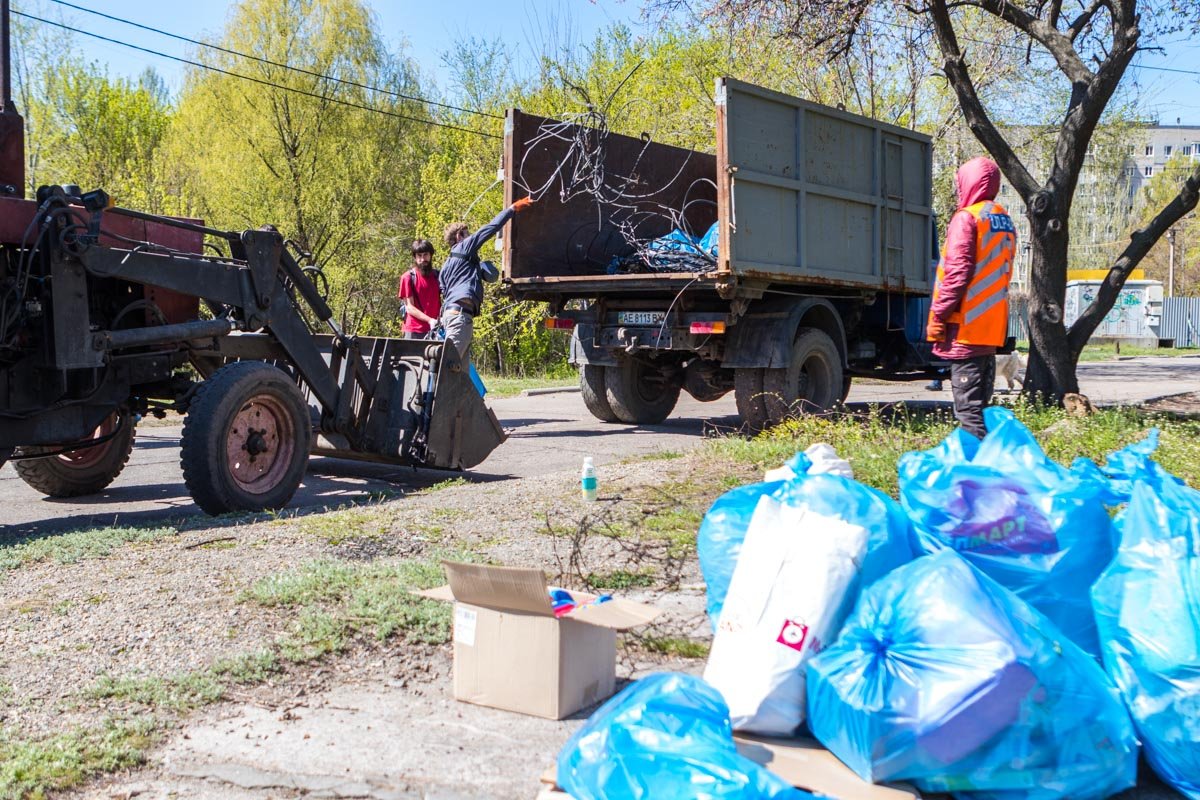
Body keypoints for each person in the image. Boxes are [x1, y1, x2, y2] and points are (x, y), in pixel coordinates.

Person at [926, 156, 1016, 440]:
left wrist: (938, 315)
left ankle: (978, 477)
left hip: (966, 327)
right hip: (990, 329)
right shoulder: (1004, 220)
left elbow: (957, 273)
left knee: (969, 414)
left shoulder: (967, 219)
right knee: (981, 409)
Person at [438, 196, 535, 360]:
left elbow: (443, 290)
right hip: (460, 317)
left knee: (459, 373)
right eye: (468, 233)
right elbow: (489, 228)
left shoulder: (446, 266)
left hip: (451, 316)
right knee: (448, 366)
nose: (471, 236)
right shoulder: (465, 246)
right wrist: (512, 209)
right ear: (459, 236)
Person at [398, 239, 441, 339]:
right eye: (419, 256)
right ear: (415, 257)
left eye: (425, 255)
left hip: (435, 330)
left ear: (431, 255)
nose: (422, 259)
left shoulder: (438, 276)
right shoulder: (407, 277)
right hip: (414, 331)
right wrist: (430, 320)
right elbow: (409, 307)